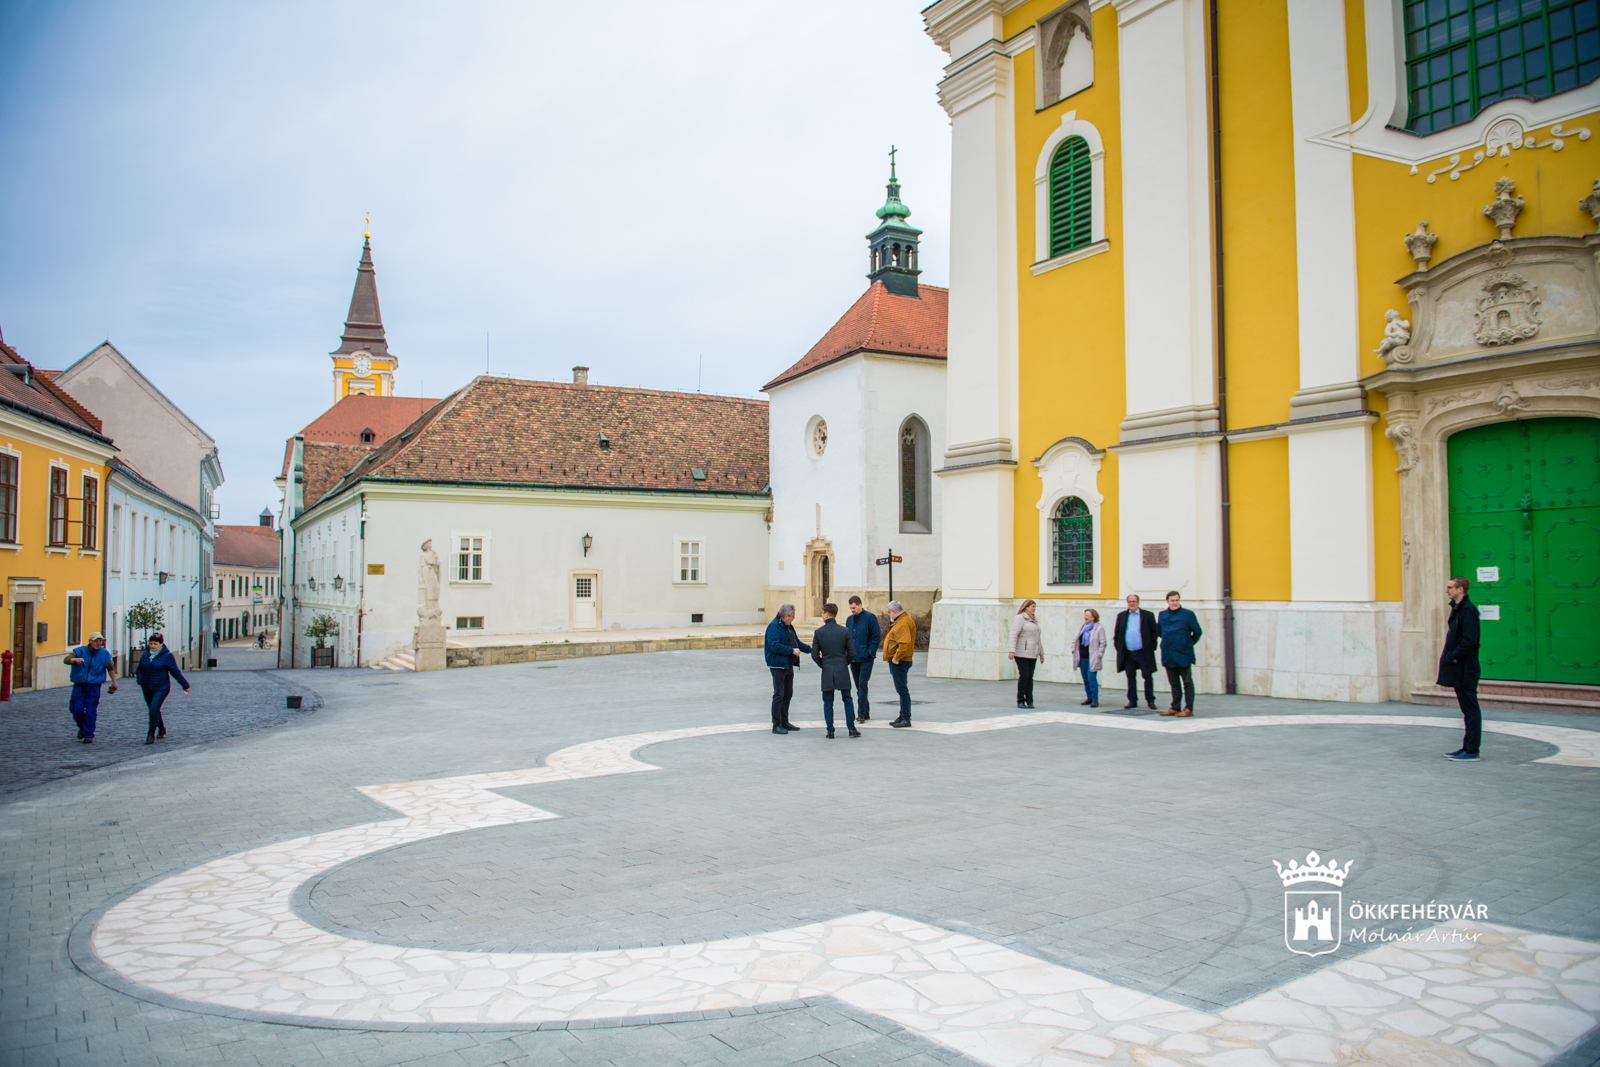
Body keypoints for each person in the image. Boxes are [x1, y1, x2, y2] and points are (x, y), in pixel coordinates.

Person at [1439, 576, 1482, 762]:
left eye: (1450, 587)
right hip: (1460, 668)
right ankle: (1467, 747)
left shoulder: (1468, 610)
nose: (1447, 590)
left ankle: (1472, 751)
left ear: (1460, 590)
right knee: (1467, 711)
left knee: (1471, 711)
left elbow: (1470, 641)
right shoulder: (1458, 608)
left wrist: (1451, 656)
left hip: (1466, 668)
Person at [811, 603, 860, 738]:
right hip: (841, 668)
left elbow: (814, 655)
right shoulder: (844, 631)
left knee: (828, 702)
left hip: (827, 669)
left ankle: (830, 730)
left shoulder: (819, 632)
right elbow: (852, 652)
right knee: (847, 699)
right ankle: (851, 728)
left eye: (822, 613)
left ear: (826, 614)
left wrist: (823, 664)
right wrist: (845, 662)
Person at [763, 603, 811, 735]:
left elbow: (797, 643)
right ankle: (776, 724)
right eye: (793, 616)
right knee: (779, 694)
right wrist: (791, 651)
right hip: (778, 665)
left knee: (788, 693)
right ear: (785, 616)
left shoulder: (789, 627)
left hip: (788, 664)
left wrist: (812, 650)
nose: (793, 618)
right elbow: (774, 646)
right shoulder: (774, 627)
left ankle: (784, 721)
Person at [135, 632, 190, 744]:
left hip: (161, 687)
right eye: (151, 643)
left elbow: (175, 672)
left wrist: (185, 685)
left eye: (155, 644)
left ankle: (151, 734)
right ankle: (162, 728)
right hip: (146, 687)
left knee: (154, 708)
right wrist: (140, 680)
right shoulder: (146, 655)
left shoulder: (167, 656)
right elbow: (139, 669)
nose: (153, 646)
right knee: (153, 709)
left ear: (161, 644)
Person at [65, 632, 117, 743]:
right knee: (76, 709)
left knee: (90, 711)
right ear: (90, 641)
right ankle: (82, 728)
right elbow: (67, 659)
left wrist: (114, 681)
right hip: (79, 685)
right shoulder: (80, 651)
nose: (98, 643)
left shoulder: (104, 654)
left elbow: (110, 667)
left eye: (100, 641)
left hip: (94, 686)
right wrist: (74, 660)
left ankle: (88, 734)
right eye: (96, 641)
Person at [1157, 592, 1203, 717]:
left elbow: (1197, 632)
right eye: (1172, 600)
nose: (1175, 602)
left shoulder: (1188, 615)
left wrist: (1187, 643)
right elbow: (1160, 631)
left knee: (1187, 681)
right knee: (1174, 682)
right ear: (1167, 601)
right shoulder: (1162, 615)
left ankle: (1188, 708)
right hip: (1168, 653)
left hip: (1184, 653)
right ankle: (1175, 707)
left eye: (1177, 600)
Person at [1113, 594, 1158, 711]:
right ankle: (1132, 700)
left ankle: (1150, 700)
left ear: (1138, 602)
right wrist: (1119, 647)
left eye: (1134, 601)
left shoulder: (1147, 615)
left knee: (1148, 676)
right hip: (1128, 653)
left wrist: (1151, 647)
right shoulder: (1122, 616)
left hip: (1143, 653)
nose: (1132, 603)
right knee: (1130, 677)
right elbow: (1117, 634)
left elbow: (1154, 633)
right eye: (1129, 602)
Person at [844, 596, 880, 721]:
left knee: (863, 684)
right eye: (850, 608)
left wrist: (870, 652)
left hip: (866, 658)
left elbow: (876, 637)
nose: (852, 610)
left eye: (854, 608)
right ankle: (866, 711)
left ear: (860, 605)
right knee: (859, 687)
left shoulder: (870, 618)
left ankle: (860, 714)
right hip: (853, 658)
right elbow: (847, 638)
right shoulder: (849, 620)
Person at [882, 600, 916, 727]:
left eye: (889, 612)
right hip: (901, 661)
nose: (888, 615)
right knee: (901, 689)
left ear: (894, 611)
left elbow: (904, 643)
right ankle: (902, 715)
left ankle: (906, 717)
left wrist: (896, 658)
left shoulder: (903, 623)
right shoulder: (903, 620)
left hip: (900, 662)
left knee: (902, 690)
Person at [1008, 600, 1043, 709]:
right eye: (1033, 606)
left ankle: (1029, 700)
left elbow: (1038, 639)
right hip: (1021, 653)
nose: (1034, 608)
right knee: (1024, 676)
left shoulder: (1034, 620)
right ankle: (1020, 700)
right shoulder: (1020, 618)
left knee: (1030, 677)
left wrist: (1041, 653)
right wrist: (1011, 650)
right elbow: (1013, 634)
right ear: (1026, 607)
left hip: (1033, 653)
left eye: (1035, 607)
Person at [1071, 608, 1106, 709]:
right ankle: (1089, 697)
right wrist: (1073, 649)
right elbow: (1076, 639)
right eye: (1085, 615)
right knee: (1085, 678)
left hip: (1092, 658)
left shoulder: (1099, 628)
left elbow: (1103, 643)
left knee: (1091, 678)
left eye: (1087, 615)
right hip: (1082, 657)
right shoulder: (1081, 627)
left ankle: (1095, 700)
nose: (1085, 617)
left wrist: (1099, 654)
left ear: (1093, 617)